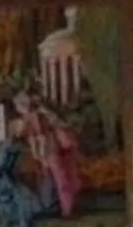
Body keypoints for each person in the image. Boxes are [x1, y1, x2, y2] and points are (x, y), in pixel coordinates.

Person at [10, 89, 88, 219]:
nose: (20, 109)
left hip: (48, 148)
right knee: (50, 178)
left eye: (20, 106)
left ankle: (66, 208)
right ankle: (56, 206)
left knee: (58, 177)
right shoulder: (33, 116)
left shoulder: (36, 115)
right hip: (44, 150)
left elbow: (39, 133)